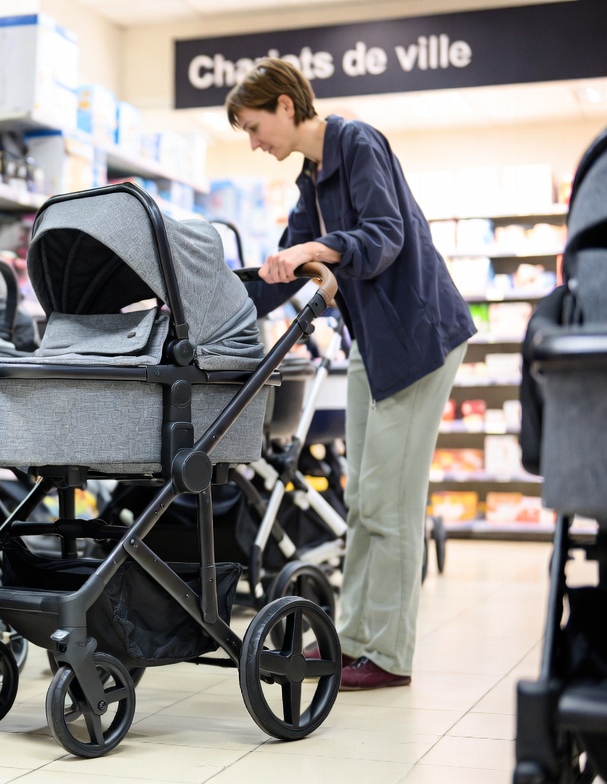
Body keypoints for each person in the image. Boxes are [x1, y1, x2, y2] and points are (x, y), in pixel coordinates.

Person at [225, 58, 475, 690]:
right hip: (374, 344)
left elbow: (384, 236)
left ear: (286, 105)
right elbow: (279, 277)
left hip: (418, 340)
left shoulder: (356, 141)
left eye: (255, 127)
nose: (255, 144)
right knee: (363, 500)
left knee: (389, 506)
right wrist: (209, 304)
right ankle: (356, 643)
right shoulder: (312, 177)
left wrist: (314, 250)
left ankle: (386, 656)